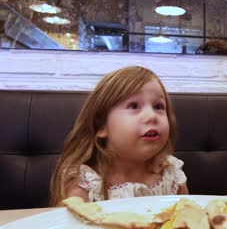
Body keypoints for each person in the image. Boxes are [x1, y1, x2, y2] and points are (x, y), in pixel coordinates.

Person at [50, 66, 188, 206]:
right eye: (134, 106)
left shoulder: (172, 176)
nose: (152, 116)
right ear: (101, 125)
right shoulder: (84, 185)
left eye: (158, 106)